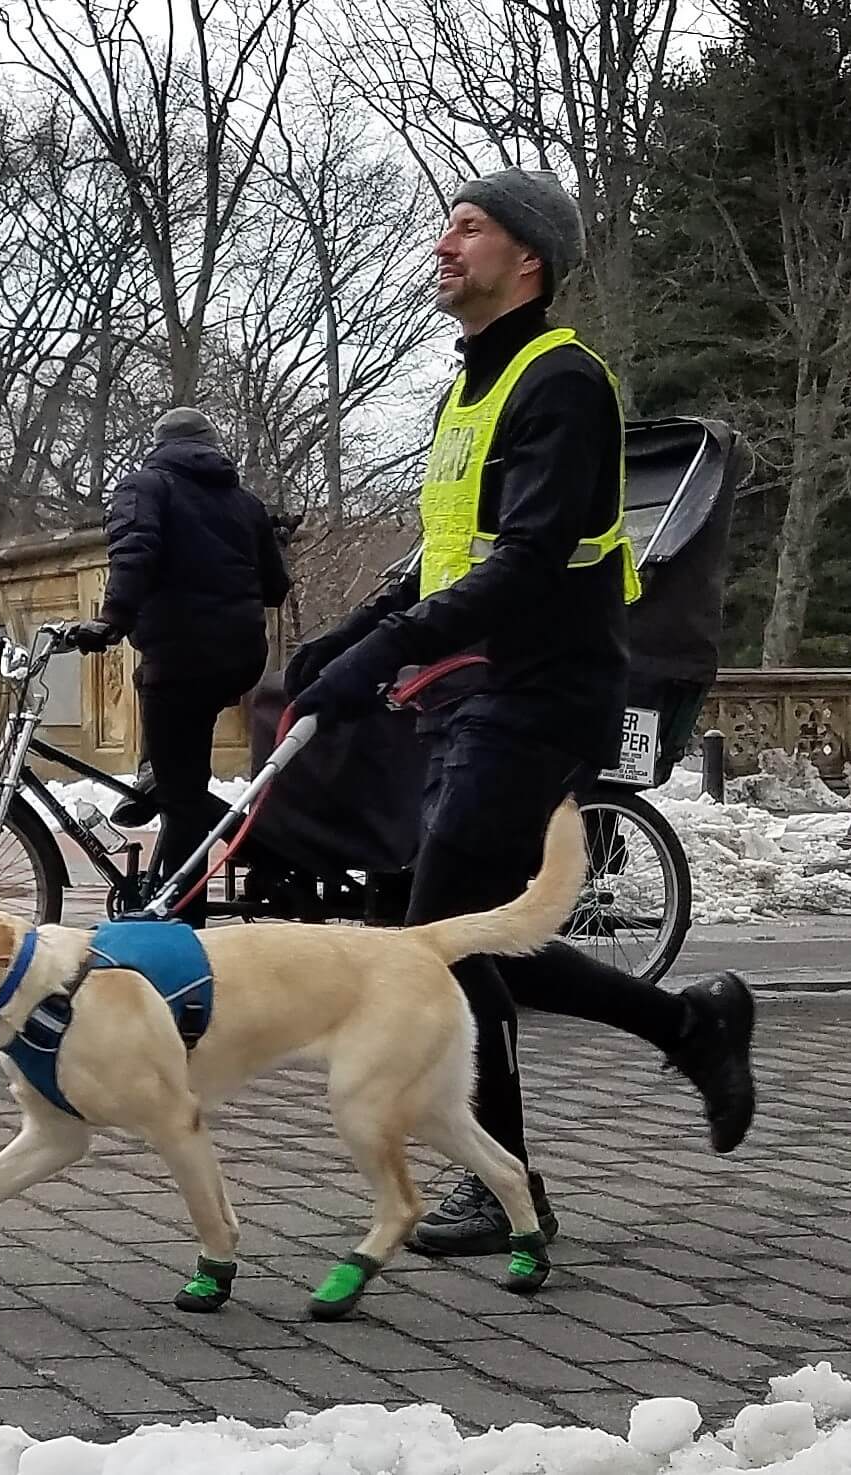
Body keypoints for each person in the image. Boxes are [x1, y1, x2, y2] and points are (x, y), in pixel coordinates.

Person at [284, 167, 756, 1256]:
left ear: (526, 258)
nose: (443, 244)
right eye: (443, 225)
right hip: (477, 688)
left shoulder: (560, 382)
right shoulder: (467, 388)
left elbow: (534, 559)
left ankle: (511, 1183)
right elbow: (448, 547)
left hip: (546, 688)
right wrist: (356, 630)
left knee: (438, 934)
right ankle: (685, 1025)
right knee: (466, 931)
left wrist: (390, 647)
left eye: (469, 227)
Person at [69, 407, 291, 927]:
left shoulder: (145, 488)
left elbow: (134, 553)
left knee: (181, 792)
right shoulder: (245, 502)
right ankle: (178, 897)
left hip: (179, 654)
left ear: (159, 444)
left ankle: (270, 845)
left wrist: (112, 620)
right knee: (180, 781)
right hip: (238, 657)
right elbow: (276, 588)